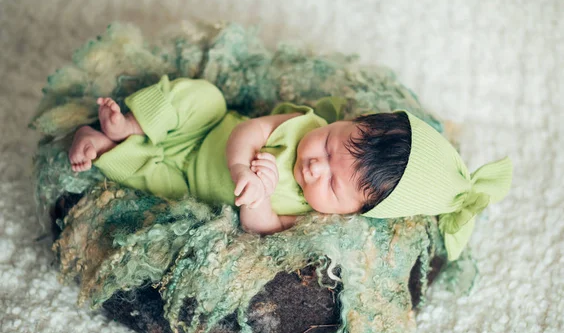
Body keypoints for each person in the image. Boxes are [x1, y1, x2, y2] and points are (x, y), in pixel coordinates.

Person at [69, 75, 512, 261]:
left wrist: (257, 198)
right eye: (330, 144)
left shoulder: (310, 218)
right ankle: (130, 122)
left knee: (154, 186)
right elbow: (248, 129)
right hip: (205, 132)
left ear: (352, 213)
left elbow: (262, 230)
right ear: (346, 120)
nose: (316, 164)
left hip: (185, 178)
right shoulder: (304, 124)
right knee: (205, 97)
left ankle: (105, 145)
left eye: (335, 184)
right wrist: (241, 167)